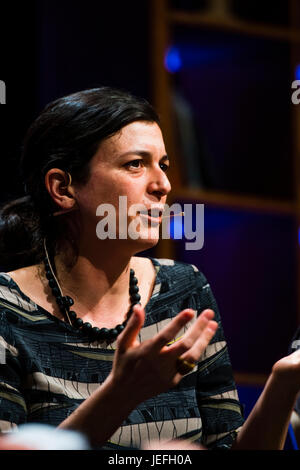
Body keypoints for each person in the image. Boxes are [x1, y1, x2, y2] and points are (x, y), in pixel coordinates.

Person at [0, 87, 299, 451]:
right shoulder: (6, 309)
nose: (163, 186)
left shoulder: (183, 287)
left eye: (164, 165)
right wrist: (122, 393)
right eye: (135, 164)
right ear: (62, 188)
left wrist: (285, 381)